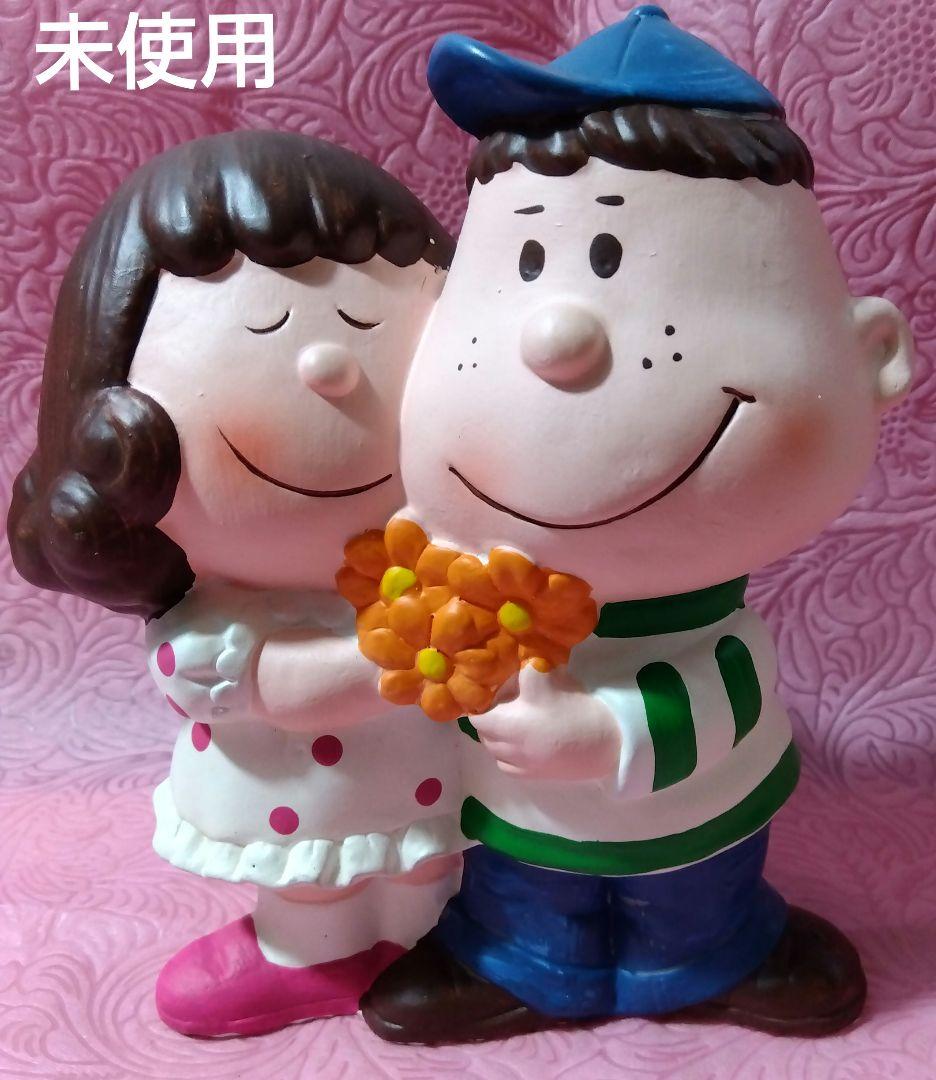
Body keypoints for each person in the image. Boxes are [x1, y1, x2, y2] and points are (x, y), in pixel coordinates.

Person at [362, 5, 914, 1042]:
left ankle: (705, 958)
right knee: (526, 891)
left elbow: (722, 691)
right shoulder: (441, 568)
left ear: (869, 355)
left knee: (692, 897)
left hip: (690, 821)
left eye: (614, 257)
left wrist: (604, 733)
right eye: (526, 266)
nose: (555, 336)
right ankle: (528, 961)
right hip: (519, 821)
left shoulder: (713, 631)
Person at [7, 130, 464, 1037]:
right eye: (268, 330)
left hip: (432, 784)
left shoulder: (431, 570)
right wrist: (402, 658)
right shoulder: (210, 622)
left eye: (367, 325)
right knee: (318, 887)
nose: (332, 370)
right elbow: (278, 689)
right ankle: (312, 954)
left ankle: (432, 935)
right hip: (294, 798)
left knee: (429, 870)